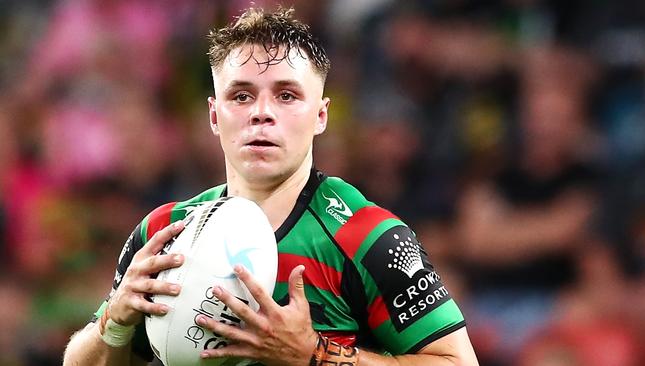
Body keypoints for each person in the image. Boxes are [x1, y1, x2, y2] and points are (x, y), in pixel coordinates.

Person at [63, 7, 478, 366]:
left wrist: (316, 356)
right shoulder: (163, 233)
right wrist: (113, 322)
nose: (262, 113)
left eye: (286, 95)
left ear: (320, 115)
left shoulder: (369, 236)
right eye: (241, 96)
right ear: (213, 115)